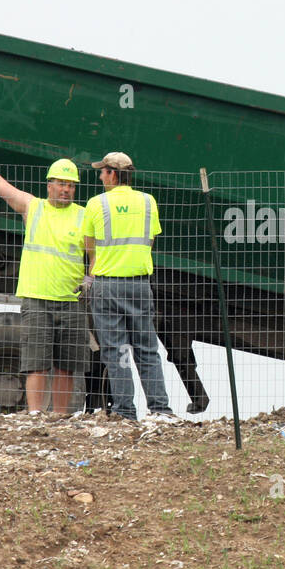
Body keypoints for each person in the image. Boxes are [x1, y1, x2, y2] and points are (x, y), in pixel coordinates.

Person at [0, 137, 87, 415]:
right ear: (49, 185)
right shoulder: (33, 208)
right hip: (37, 299)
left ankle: (60, 417)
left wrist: (91, 279)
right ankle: (35, 416)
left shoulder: (84, 216)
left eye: (70, 185)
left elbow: (96, 251)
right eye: (61, 183)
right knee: (36, 362)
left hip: (71, 300)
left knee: (67, 365)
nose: (66, 189)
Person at [82, 152, 175, 423]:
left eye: (102, 171)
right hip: (139, 285)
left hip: (108, 286)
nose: (100, 176)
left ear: (112, 173)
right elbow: (150, 241)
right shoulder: (148, 202)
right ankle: (160, 409)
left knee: (116, 350)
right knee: (147, 349)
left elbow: (91, 247)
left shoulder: (96, 204)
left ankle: (124, 411)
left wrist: (94, 272)